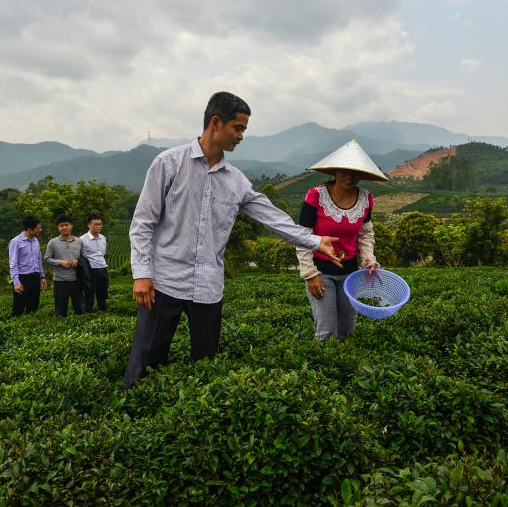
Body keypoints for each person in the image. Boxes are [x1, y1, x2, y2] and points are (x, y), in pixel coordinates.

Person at [123, 91, 343, 389]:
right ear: (216, 123)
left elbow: (270, 216)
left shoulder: (236, 180)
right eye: (237, 128)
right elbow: (143, 223)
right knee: (146, 361)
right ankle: (137, 418)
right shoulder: (169, 164)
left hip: (208, 287)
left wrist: (314, 241)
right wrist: (142, 274)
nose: (241, 136)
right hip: (164, 281)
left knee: (206, 366)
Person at [296, 139, 387, 341]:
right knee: (326, 332)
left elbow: (365, 234)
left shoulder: (366, 199)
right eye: (344, 171)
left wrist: (369, 260)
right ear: (335, 171)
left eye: (355, 172)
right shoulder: (316, 196)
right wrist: (310, 274)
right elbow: (302, 236)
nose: (349, 176)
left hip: (350, 273)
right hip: (321, 271)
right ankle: (324, 370)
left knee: (347, 329)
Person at [43, 214, 85, 317]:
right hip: (60, 280)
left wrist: (77, 261)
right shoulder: (53, 242)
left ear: (71, 226)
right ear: (58, 228)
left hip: (76, 280)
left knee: (79, 310)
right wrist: (60, 262)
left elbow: (84, 258)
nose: (64, 227)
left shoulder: (79, 241)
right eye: (61, 225)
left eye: (66, 225)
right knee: (60, 312)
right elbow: (46, 259)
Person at [8, 216, 47, 316]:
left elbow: (39, 260)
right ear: (30, 229)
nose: (40, 230)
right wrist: (16, 282)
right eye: (38, 228)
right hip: (22, 278)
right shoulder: (15, 242)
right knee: (18, 308)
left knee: (33, 306)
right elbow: (13, 264)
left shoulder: (36, 241)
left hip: (35, 277)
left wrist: (42, 276)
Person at [80, 214, 109, 312]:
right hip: (90, 270)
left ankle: (103, 312)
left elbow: (102, 253)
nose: (98, 226)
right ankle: (87, 315)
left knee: (103, 294)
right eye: (95, 224)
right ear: (89, 225)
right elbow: (82, 257)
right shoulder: (82, 240)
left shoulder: (103, 238)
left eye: (100, 224)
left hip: (103, 269)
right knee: (89, 295)